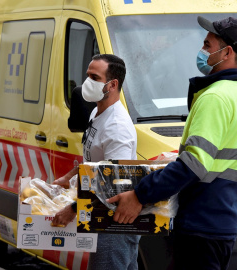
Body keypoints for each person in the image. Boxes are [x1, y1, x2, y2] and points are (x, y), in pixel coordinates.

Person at [107, 16, 237, 270]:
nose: (202, 50)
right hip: (219, 223)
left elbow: (193, 165)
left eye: (208, 45)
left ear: (227, 52)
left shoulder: (215, 97)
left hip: (202, 227)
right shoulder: (235, 92)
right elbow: (208, 158)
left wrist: (140, 194)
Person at [51, 54, 141, 270]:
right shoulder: (97, 112)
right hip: (102, 217)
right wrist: (69, 177)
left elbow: (112, 184)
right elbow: (96, 162)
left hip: (114, 225)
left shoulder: (117, 128)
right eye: (87, 75)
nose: (87, 83)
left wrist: (72, 209)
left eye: (94, 77)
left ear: (112, 84)